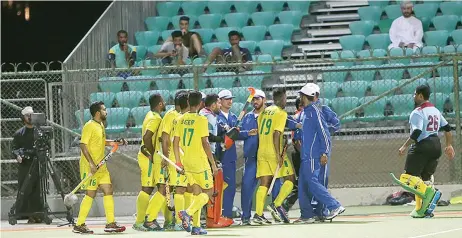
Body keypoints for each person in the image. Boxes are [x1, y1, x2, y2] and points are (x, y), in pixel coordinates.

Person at [396, 85, 454, 218]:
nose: (414, 96)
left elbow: (417, 131)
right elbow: (447, 128)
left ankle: (430, 193)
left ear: (421, 96)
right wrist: (449, 145)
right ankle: (422, 210)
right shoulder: (435, 110)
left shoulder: (418, 112)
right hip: (436, 146)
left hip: (422, 146)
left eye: (415, 94)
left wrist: (404, 146)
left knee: (407, 178)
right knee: (423, 179)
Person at [73, 101, 127, 234]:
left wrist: (115, 142)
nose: (106, 112)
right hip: (90, 166)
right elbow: (83, 145)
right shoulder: (89, 126)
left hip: (101, 165)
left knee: (108, 189)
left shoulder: (100, 125)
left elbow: (101, 142)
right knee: (91, 193)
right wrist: (91, 163)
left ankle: (110, 223)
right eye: (104, 109)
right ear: (97, 113)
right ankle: (79, 224)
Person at [297, 84, 345, 224]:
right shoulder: (305, 112)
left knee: (313, 183)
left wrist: (324, 151)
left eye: (302, 95)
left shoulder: (315, 111)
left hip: (313, 154)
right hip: (306, 155)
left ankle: (334, 206)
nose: (300, 98)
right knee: (303, 185)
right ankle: (307, 215)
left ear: (308, 97)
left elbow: (324, 133)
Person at [174, 91, 219, 235]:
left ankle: (196, 226)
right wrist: (213, 164)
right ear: (200, 104)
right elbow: (205, 143)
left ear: (188, 102)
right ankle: (188, 212)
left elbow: (175, 143)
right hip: (200, 162)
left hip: (187, 161)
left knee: (197, 192)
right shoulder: (201, 120)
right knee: (209, 192)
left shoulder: (180, 119)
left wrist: (178, 162)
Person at [253, 88, 296, 225]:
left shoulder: (263, 112)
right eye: (285, 98)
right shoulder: (281, 113)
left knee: (264, 182)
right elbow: (276, 134)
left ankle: (258, 215)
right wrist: (278, 154)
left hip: (262, 151)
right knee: (290, 178)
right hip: (273, 151)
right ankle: (276, 204)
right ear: (280, 99)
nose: (286, 100)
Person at [239, 90, 281, 225]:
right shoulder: (247, 117)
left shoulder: (272, 114)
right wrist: (246, 133)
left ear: (264, 100)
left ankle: (277, 213)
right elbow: (237, 133)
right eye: (253, 99)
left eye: (258, 99)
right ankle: (246, 217)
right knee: (246, 187)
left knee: (274, 185)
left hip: (268, 157)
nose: (255, 102)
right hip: (251, 158)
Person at [132, 93, 169, 231]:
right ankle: (140, 221)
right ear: (160, 104)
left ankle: (146, 218)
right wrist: (152, 154)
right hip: (148, 157)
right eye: (163, 101)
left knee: (154, 187)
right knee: (147, 188)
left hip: (147, 155)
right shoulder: (156, 118)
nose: (165, 103)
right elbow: (147, 137)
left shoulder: (149, 115)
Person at [216, 89, 251, 224]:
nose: (230, 101)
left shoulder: (233, 117)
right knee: (218, 188)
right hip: (219, 156)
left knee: (230, 187)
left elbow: (238, 133)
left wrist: (248, 133)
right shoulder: (217, 117)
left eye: (231, 99)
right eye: (227, 99)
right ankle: (216, 216)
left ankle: (227, 216)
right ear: (220, 101)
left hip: (230, 157)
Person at [160, 91, 190, 230]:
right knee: (179, 189)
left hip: (185, 158)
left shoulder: (183, 117)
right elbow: (165, 138)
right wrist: (165, 158)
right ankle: (179, 222)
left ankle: (186, 218)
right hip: (174, 158)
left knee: (186, 188)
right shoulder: (171, 116)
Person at [11, 106, 43, 223]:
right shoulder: (19, 133)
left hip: (37, 162)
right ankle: (23, 214)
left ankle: (37, 214)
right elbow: (14, 149)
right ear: (23, 118)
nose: (30, 117)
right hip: (25, 164)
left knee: (37, 189)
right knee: (25, 188)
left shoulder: (39, 132)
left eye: (31, 115)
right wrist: (18, 155)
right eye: (27, 115)